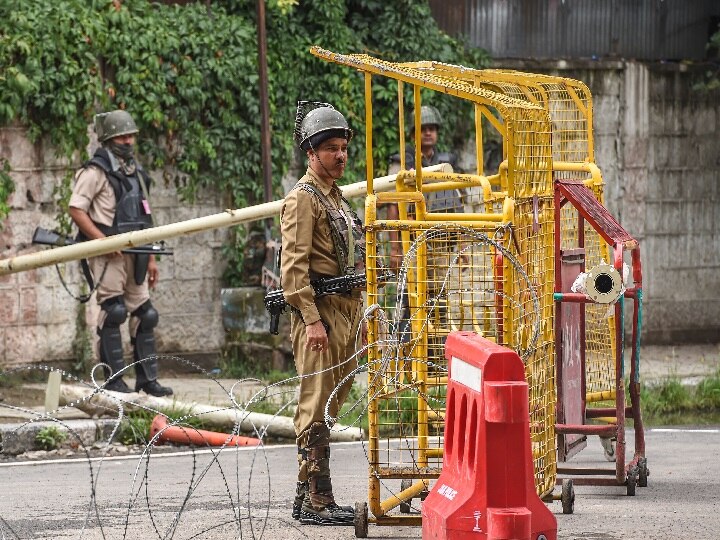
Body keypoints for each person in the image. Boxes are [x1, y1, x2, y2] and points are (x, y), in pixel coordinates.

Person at [280, 102, 365, 526]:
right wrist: (312, 320)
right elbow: (293, 271)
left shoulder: (337, 198)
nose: (341, 155)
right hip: (321, 315)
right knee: (316, 405)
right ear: (311, 153)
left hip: (345, 311)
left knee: (331, 405)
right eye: (331, 147)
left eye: (344, 146)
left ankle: (304, 497)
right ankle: (318, 500)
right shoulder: (303, 199)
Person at [68, 109, 173, 397]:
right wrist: (103, 242)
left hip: (137, 251)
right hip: (108, 255)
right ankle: (114, 381)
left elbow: (145, 216)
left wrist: (151, 257)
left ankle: (147, 381)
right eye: (122, 136)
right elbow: (76, 209)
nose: (128, 141)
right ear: (108, 139)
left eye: (130, 136)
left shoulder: (136, 172)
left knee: (145, 314)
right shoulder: (94, 172)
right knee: (113, 312)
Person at [386, 104, 464, 268]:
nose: (428, 133)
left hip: (441, 242)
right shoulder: (401, 163)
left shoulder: (444, 164)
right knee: (412, 291)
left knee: (440, 292)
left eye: (432, 129)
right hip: (412, 243)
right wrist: (395, 249)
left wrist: (462, 246)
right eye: (422, 129)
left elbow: (457, 204)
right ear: (413, 134)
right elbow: (393, 206)